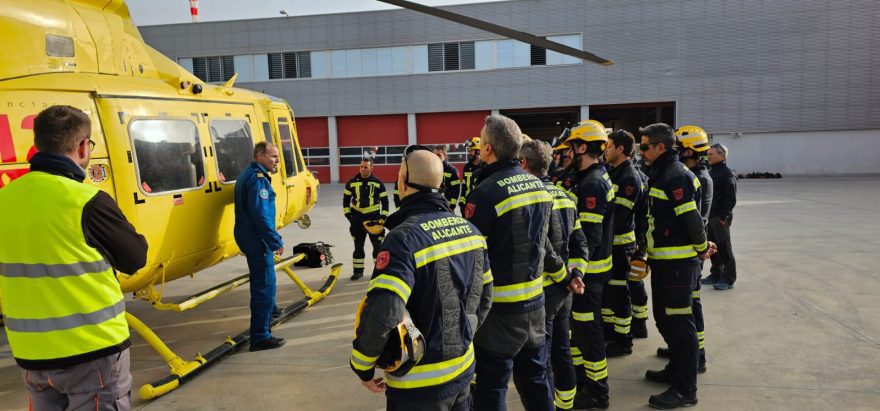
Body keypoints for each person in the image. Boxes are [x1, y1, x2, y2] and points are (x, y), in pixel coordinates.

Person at [0, 105, 148, 410]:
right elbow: (134, 258)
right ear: (83, 146)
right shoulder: (87, 201)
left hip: (31, 355)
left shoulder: (6, 199)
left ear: (37, 144)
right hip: (92, 353)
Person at [350, 148, 492, 410]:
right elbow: (485, 297)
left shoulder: (402, 238)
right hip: (463, 371)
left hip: (418, 386)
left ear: (402, 182)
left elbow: (385, 310)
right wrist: (464, 332)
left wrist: (362, 366)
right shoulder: (472, 233)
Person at [464, 115, 562, 411]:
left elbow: (471, 259)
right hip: (535, 308)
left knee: (491, 391)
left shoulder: (484, 193)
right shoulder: (540, 186)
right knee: (536, 383)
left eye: (481, 143)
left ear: (489, 149)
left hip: (497, 317)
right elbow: (544, 245)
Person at [638, 123, 715, 409]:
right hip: (665, 263)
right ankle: (675, 371)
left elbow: (692, 219)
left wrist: (702, 248)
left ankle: (685, 390)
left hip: (678, 266)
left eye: (645, 146)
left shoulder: (675, 175)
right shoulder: (663, 172)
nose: (642, 152)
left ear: (660, 147)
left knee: (680, 326)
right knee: (664, 319)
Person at [520, 139, 587, 411]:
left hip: (545, 291)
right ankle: (566, 406)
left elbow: (542, 249)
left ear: (524, 164)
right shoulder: (567, 197)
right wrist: (577, 273)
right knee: (563, 351)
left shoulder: (529, 199)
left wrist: (564, 276)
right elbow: (580, 242)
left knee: (543, 357)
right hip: (566, 291)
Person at [563, 120, 615, 410]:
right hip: (588, 273)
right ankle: (584, 381)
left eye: (572, 146)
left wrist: (576, 271)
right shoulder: (590, 177)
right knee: (582, 332)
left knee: (590, 333)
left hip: (588, 275)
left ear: (583, 146)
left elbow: (590, 237)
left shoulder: (593, 182)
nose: (569, 152)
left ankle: (598, 393)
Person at [654, 125, 715, 371]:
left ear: (689, 150)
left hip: (687, 253)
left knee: (689, 311)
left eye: (680, 148)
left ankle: (696, 355)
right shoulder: (695, 174)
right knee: (687, 310)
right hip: (690, 250)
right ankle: (687, 352)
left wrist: (701, 247)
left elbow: (692, 219)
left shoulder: (692, 177)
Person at [234, 141, 287, 352]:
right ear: (260, 157)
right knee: (263, 286)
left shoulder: (249, 174)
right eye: (273, 157)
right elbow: (261, 216)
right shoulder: (257, 181)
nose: (277, 161)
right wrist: (275, 241)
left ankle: (271, 310)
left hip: (249, 236)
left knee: (267, 281)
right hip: (258, 239)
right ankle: (260, 336)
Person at [602, 129, 646, 357]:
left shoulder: (629, 177)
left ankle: (623, 340)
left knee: (620, 293)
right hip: (613, 245)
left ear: (620, 149)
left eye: (608, 146)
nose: (605, 150)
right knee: (611, 292)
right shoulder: (615, 172)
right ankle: (612, 334)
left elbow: (618, 218)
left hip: (621, 245)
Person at [343, 158, 390, 280]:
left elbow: (385, 202)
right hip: (357, 219)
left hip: (374, 218)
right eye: (361, 167)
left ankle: (379, 272)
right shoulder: (351, 182)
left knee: (378, 247)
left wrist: (382, 218)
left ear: (371, 168)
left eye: (365, 167)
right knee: (358, 246)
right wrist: (350, 217)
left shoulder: (378, 183)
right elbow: (345, 202)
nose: (362, 169)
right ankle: (358, 272)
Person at [704, 143, 738, 290]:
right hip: (710, 216)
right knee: (713, 247)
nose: (708, 157)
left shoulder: (727, 174)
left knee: (724, 247)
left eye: (711, 154)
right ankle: (716, 273)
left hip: (720, 217)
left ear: (722, 155)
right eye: (708, 154)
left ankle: (729, 277)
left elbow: (731, 198)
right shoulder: (711, 171)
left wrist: (723, 216)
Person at [433, 144, 462, 212]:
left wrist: (452, 206)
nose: (436, 157)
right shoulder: (431, 169)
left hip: (447, 207)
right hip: (434, 206)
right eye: (435, 155)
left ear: (444, 156)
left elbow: (456, 190)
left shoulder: (452, 170)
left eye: (439, 155)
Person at [458, 136, 483, 209]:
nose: (468, 153)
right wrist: (461, 203)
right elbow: (464, 186)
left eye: (471, 150)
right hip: (468, 203)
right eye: (468, 150)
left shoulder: (485, 167)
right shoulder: (467, 167)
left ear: (478, 151)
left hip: (481, 204)